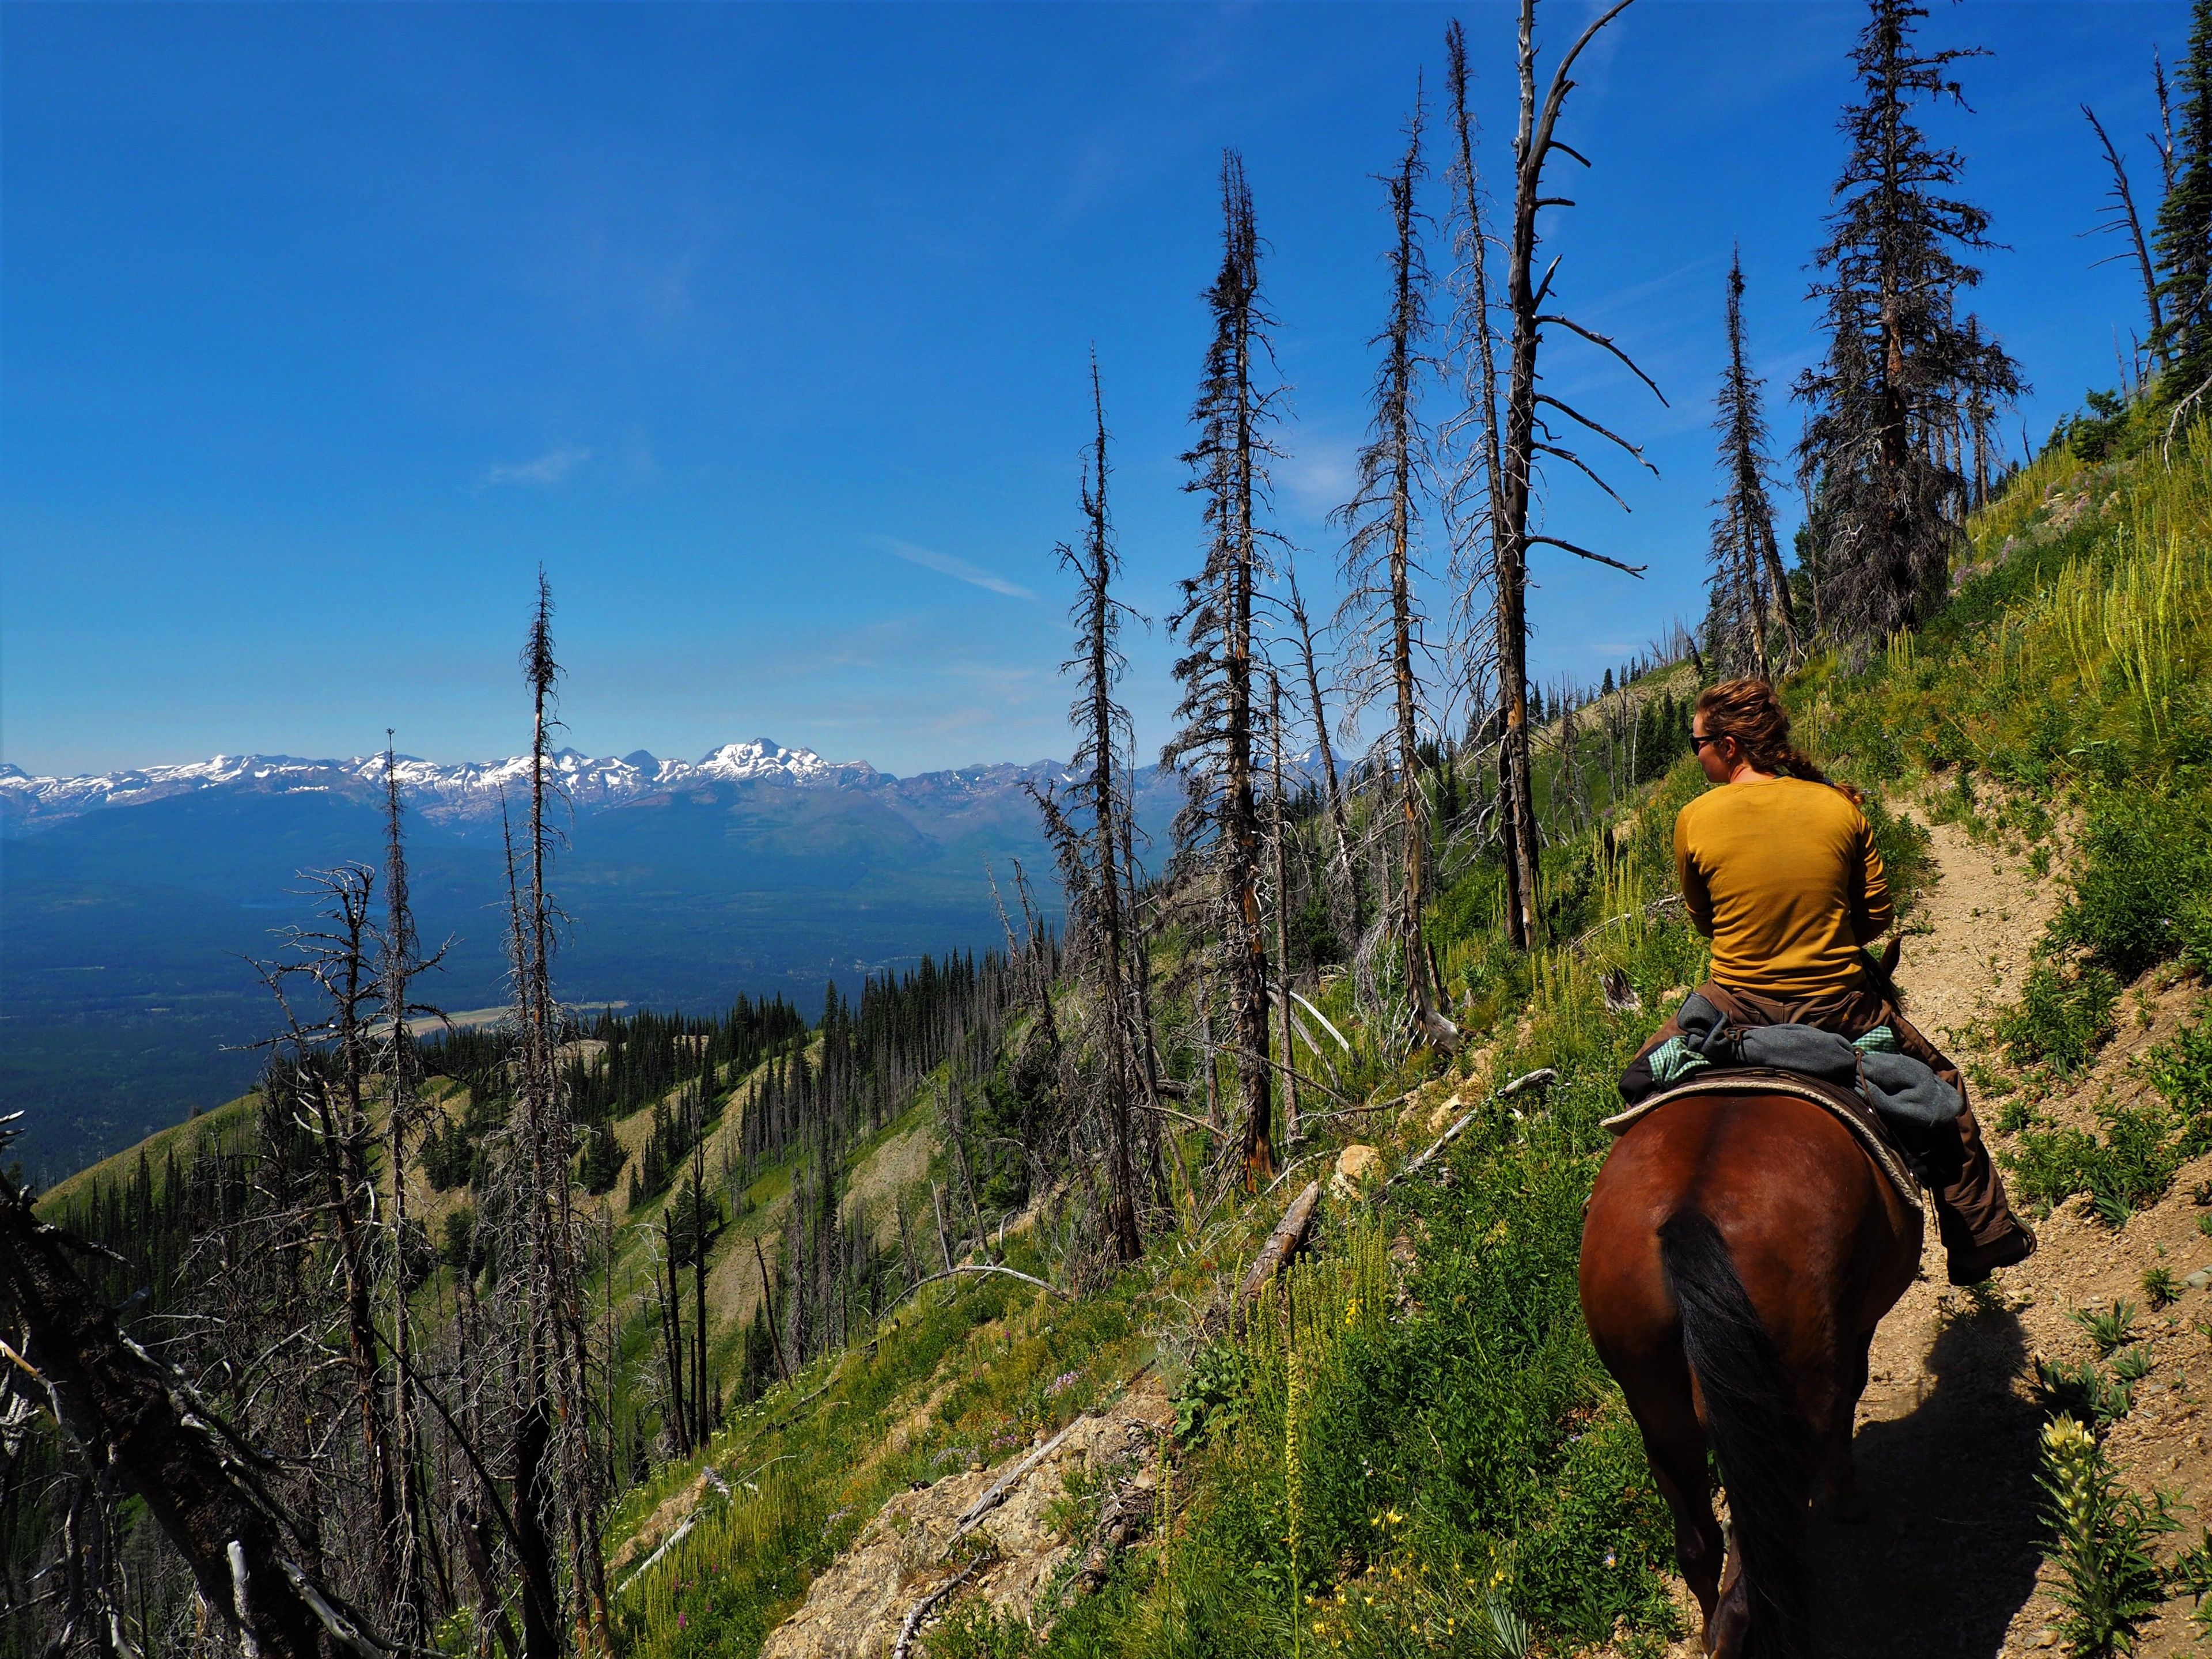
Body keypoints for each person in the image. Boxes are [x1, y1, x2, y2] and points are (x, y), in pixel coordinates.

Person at [1622, 676, 2035, 1285]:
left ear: (1729, 747)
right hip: (1841, 1008)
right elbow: (1876, 919)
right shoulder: (1840, 808)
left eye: (1697, 744)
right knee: (1942, 1088)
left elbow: (1705, 920)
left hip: (1735, 1007)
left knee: (1640, 1079)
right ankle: (1980, 1235)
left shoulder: (1694, 818)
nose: (1697, 755)